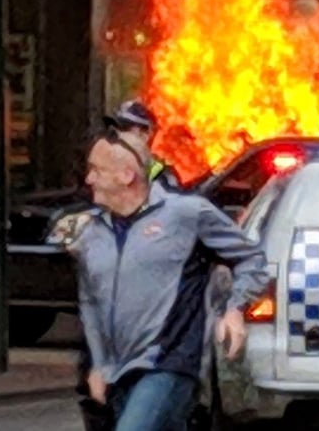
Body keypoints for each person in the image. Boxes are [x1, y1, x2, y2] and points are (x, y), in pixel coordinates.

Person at [77, 129, 268, 431]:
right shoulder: (91, 233)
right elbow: (89, 301)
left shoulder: (186, 214)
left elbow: (251, 258)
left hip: (170, 362)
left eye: (97, 170)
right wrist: (98, 364)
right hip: (118, 370)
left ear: (127, 175)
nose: (88, 179)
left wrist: (235, 309)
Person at [103, 99, 181, 189]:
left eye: (124, 128)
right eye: (114, 128)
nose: (117, 133)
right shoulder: (101, 176)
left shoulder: (165, 182)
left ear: (145, 134)